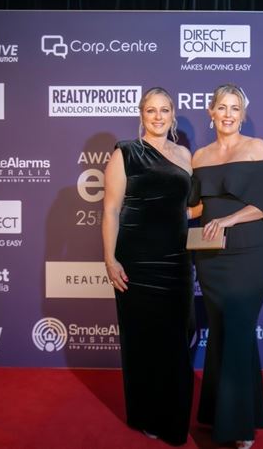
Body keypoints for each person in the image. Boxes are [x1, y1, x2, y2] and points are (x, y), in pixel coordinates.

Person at [189, 84, 263, 449]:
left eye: (235, 108)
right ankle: (226, 413)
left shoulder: (256, 148)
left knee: (236, 328)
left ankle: (238, 427)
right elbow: (198, 206)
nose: (228, 114)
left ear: (242, 115)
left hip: (251, 254)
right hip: (212, 257)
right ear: (211, 112)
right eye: (222, 107)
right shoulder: (200, 156)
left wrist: (230, 219)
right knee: (225, 333)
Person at [102, 87, 194, 446]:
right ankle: (147, 414)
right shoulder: (125, 152)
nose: (158, 116)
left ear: (173, 115)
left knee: (175, 340)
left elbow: (186, 208)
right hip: (137, 261)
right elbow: (111, 210)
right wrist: (110, 259)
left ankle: (173, 416)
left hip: (176, 259)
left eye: (164, 110)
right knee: (143, 341)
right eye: (151, 110)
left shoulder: (184, 154)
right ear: (141, 115)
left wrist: (229, 207)